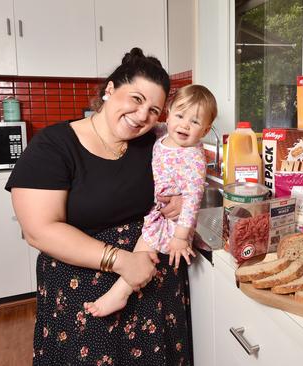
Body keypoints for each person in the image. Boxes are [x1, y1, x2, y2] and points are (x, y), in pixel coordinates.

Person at [6, 47, 192, 365]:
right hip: (83, 294)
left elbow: (190, 165)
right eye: (136, 99)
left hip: (151, 286)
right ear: (109, 90)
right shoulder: (53, 145)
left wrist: (180, 197)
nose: (142, 115)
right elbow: (38, 231)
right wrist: (122, 262)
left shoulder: (156, 143)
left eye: (153, 110)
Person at [85, 84, 217, 317]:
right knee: (143, 250)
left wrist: (180, 238)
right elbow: (146, 125)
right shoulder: (164, 133)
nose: (185, 124)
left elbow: (192, 201)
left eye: (195, 122)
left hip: (174, 223)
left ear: (205, 130)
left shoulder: (193, 159)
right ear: (168, 113)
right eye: (179, 115)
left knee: (144, 250)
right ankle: (122, 289)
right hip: (158, 212)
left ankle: (120, 293)